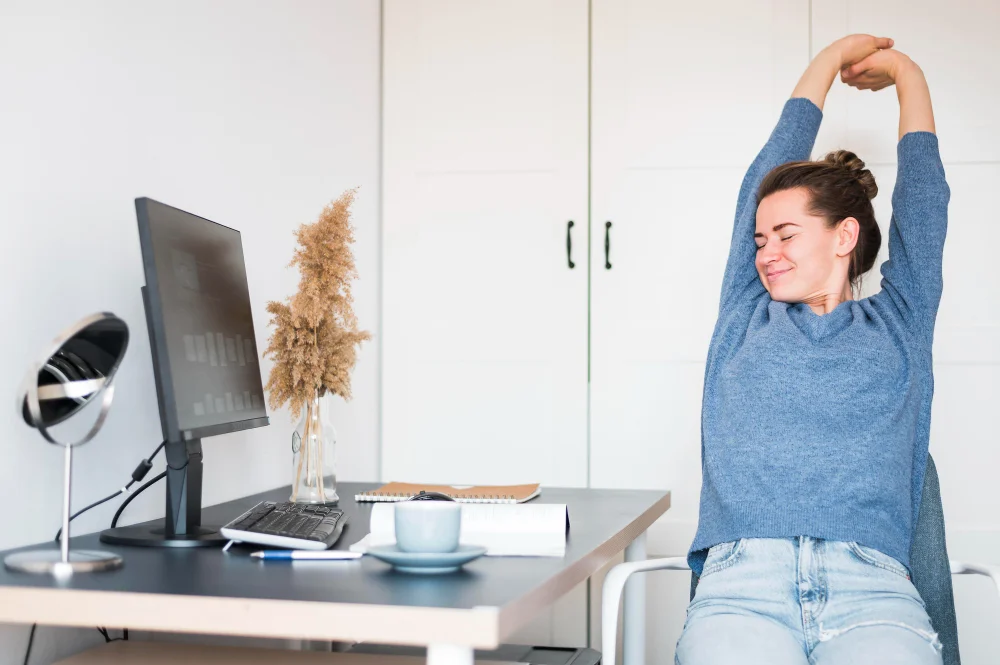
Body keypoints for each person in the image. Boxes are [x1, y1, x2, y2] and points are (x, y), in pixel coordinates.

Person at [675, 34, 949, 664]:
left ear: (844, 235)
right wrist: (825, 64)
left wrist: (907, 75)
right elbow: (759, 181)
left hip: (872, 589)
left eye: (787, 234)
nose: (766, 251)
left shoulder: (900, 321)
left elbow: (926, 204)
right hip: (742, 586)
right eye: (759, 239)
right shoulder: (745, 313)